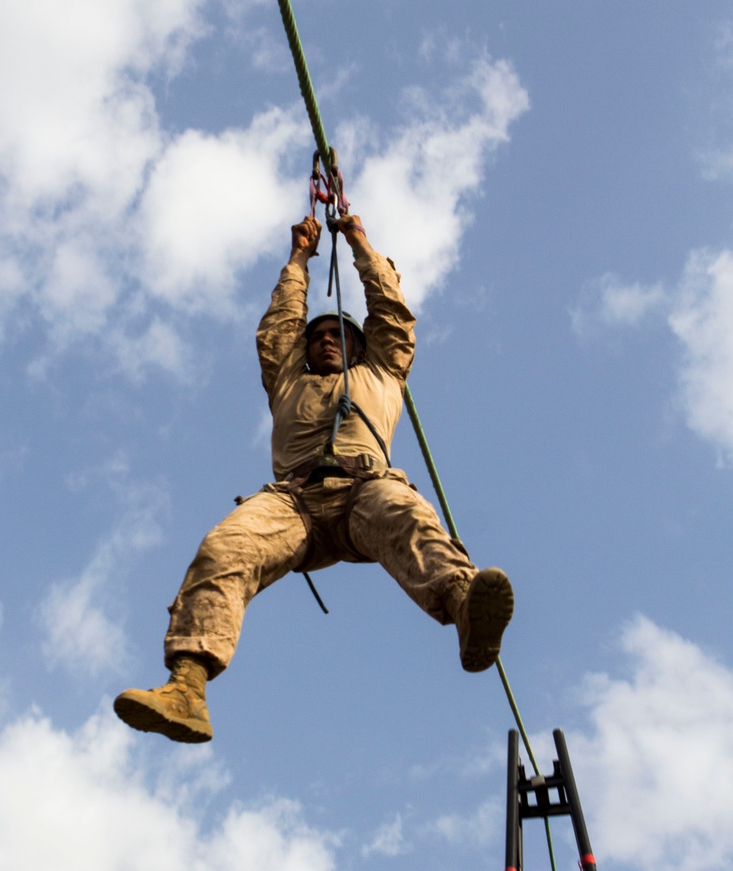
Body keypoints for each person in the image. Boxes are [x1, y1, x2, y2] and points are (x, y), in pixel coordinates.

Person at [114, 208, 514, 744]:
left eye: (337, 334)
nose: (325, 339)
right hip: (293, 503)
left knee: (404, 516)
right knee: (226, 546)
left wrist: (359, 242)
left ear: (358, 346)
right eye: (317, 335)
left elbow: (391, 313)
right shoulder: (287, 381)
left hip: (363, 492)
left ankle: (467, 611)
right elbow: (279, 326)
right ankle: (187, 687)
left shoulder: (382, 371)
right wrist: (299, 255)